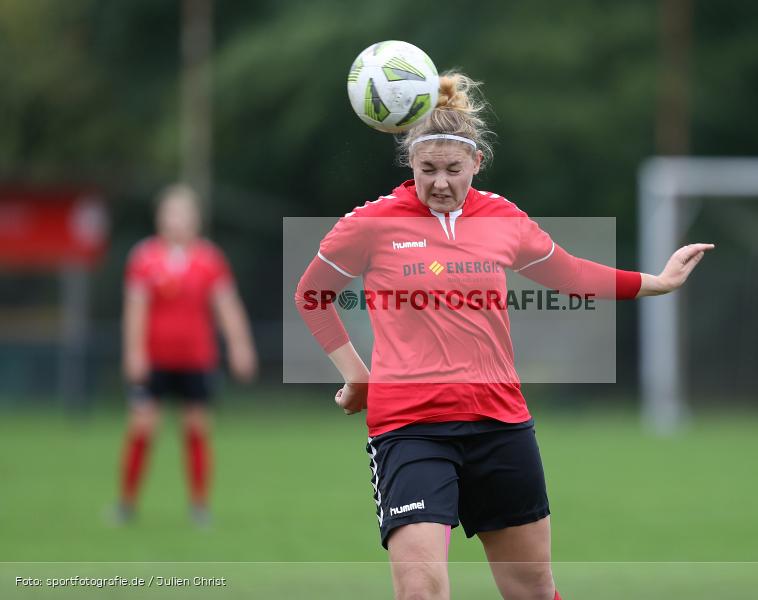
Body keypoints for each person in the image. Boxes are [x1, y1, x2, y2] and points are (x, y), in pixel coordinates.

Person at [296, 73, 713, 600]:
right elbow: (312, 295)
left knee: (533, 591)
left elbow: (569, 274)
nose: (441, 183)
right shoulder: (370, 224)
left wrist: (657, 282)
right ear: (410, 165)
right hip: (409, 428)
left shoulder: (503, 219)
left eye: (453, 169)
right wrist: (357, 375)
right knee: (420, 590)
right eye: (428, 170)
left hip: (499, 423)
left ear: (477, 163)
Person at [117, 184, 257, 525]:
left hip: (196, 359)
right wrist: (134, 353)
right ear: (160, 217)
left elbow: (227, 306)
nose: (177, 220)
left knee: (196, 428)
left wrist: (240, 346)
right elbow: (135, 310)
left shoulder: (209, 259)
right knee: (143, 426)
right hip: (155, 361)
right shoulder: (144, 257)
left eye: (184, 213)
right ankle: (126, 504)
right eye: (171, 213)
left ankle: (199, 506)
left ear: (196, 219)